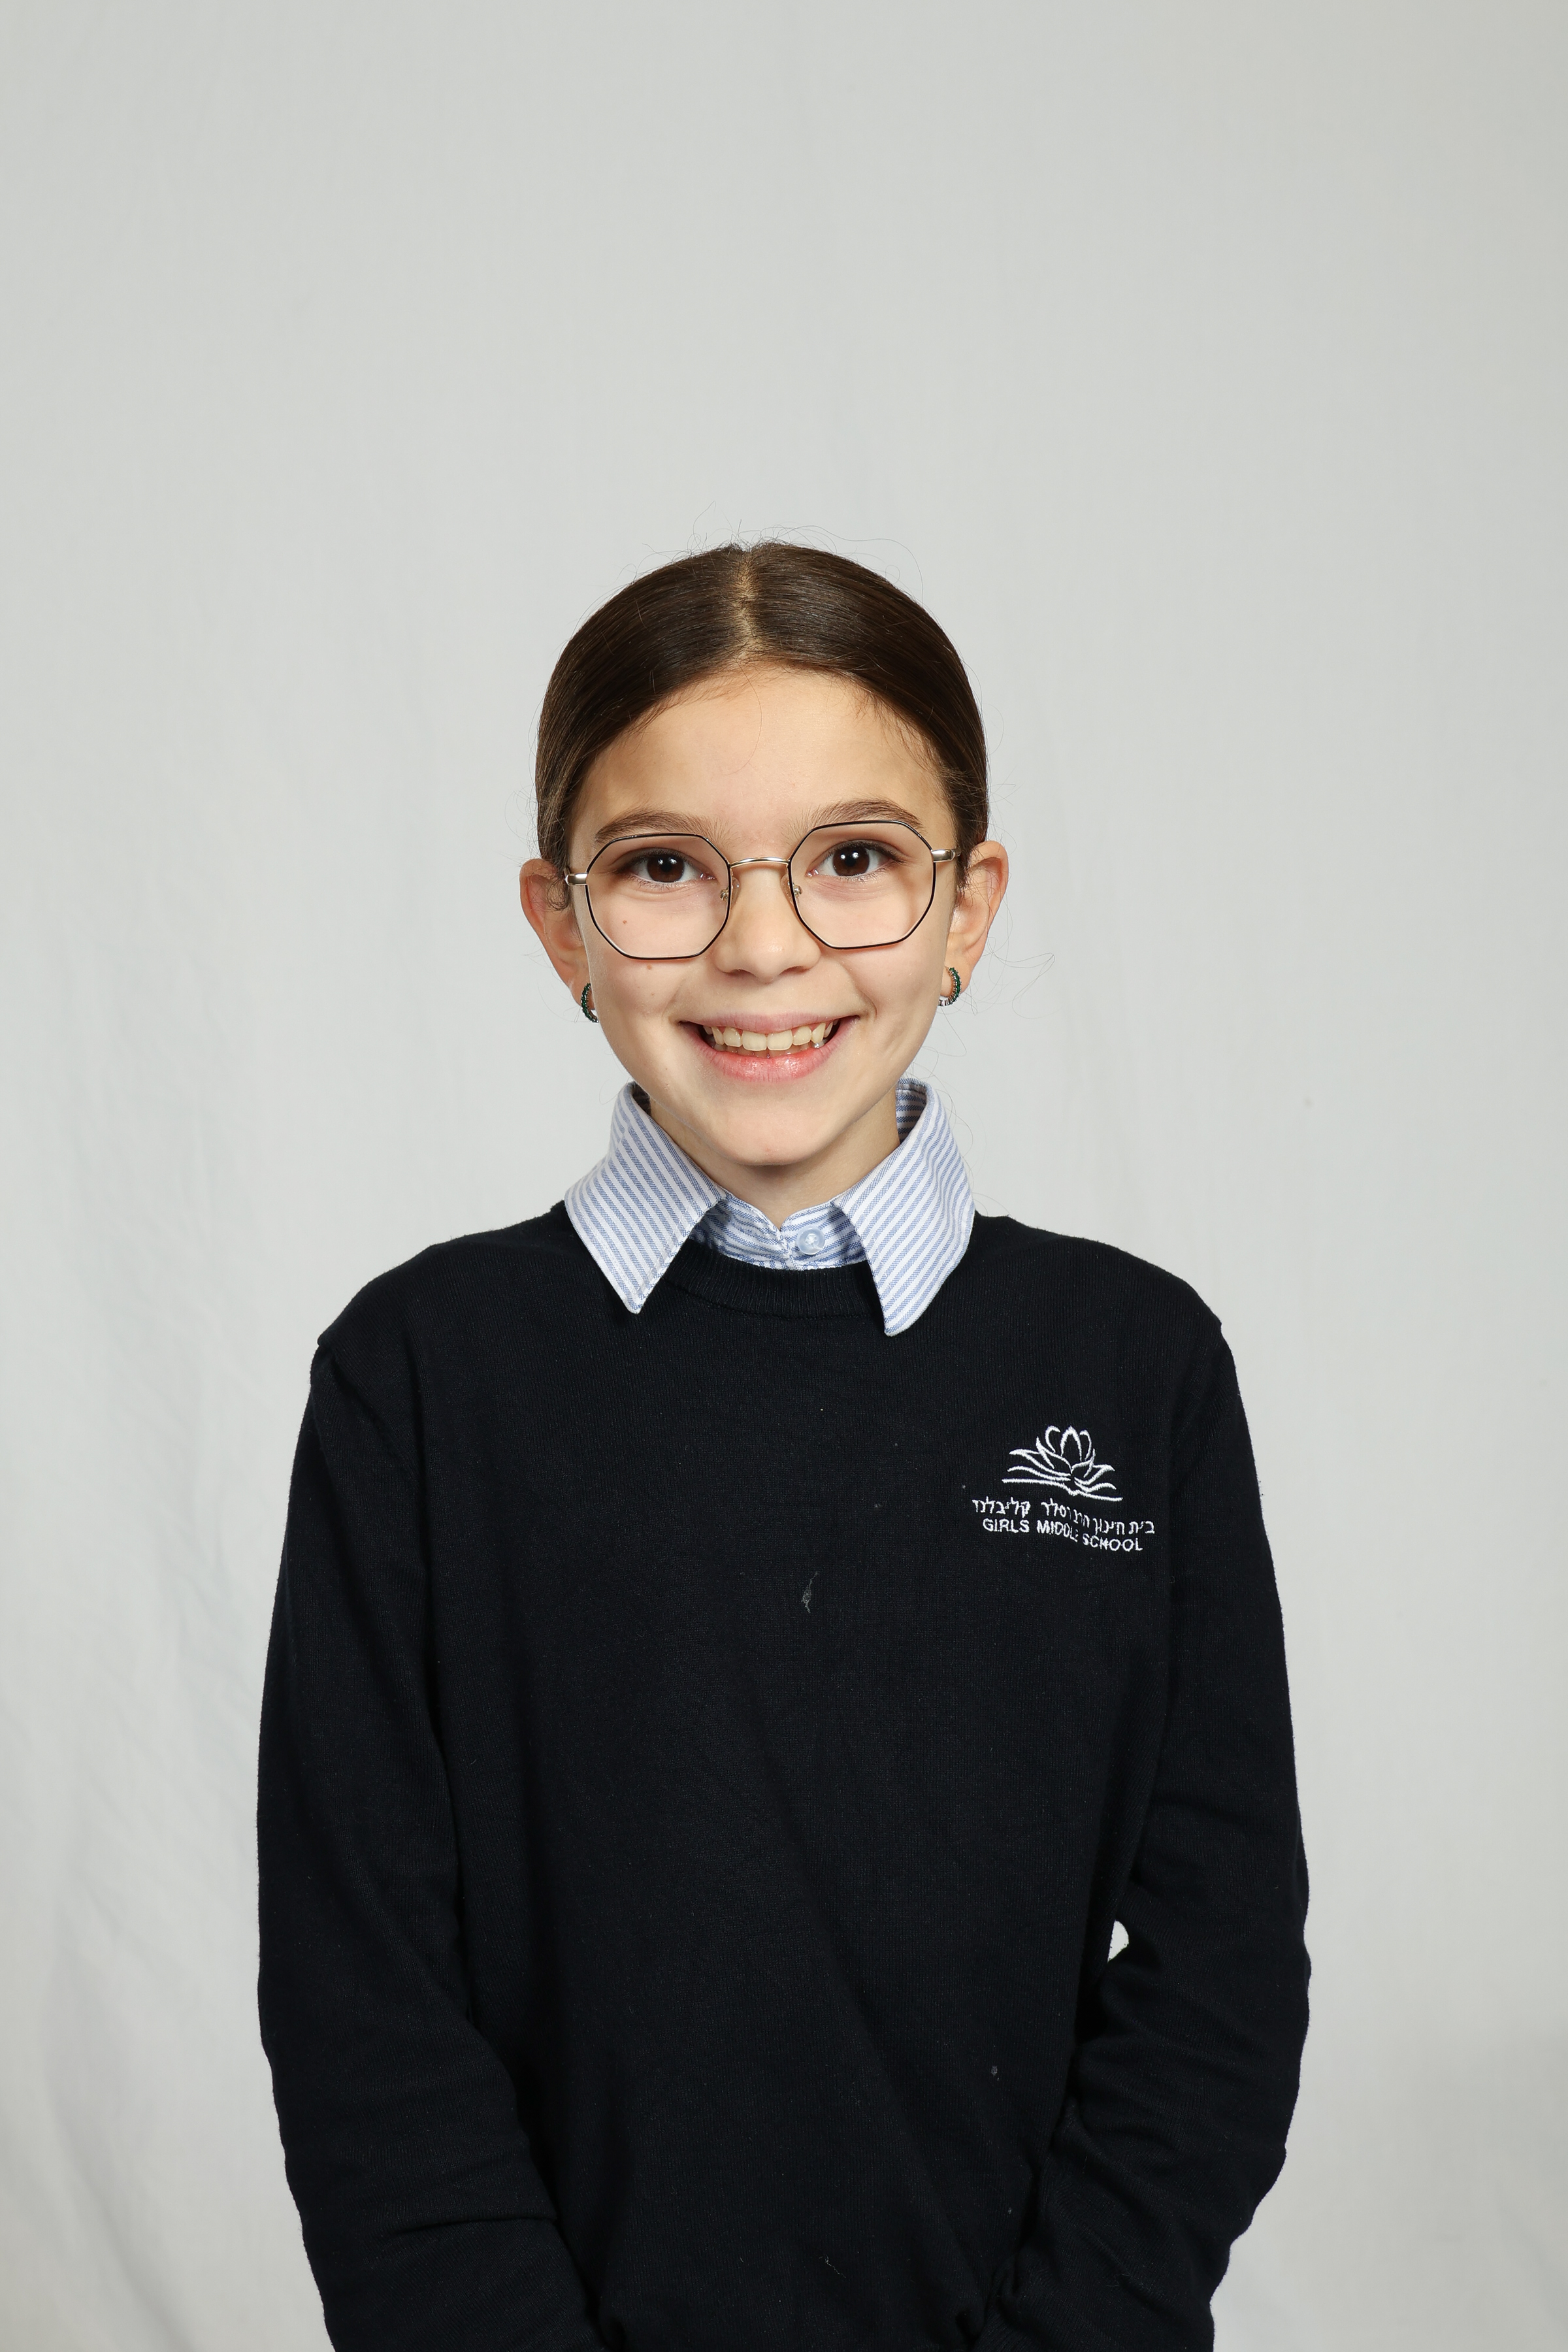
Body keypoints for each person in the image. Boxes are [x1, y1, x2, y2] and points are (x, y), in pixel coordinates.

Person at [257, 542, 1309, 2352]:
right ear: (562, 922)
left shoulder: (1139, 1369)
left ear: (969, 907)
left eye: (855, 860)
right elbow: (364, 2003)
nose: (764, 946)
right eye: (665, 866)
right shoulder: (417, 1380)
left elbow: (1218, 1971)